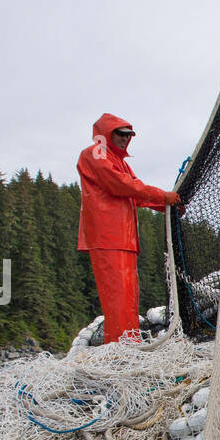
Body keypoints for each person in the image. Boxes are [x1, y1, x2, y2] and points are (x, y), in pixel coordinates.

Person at [77, 113, 180, 344]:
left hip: (125, 240)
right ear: (106, 134)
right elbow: (119, 184)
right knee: (117, 298)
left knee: (128, 298)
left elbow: (137, 195)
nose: (126, 139)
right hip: (106, 237)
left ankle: (129, 344)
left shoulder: (121, 162)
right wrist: (163, 195)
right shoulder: (96, 152)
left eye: (129, 135)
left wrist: (167, 206)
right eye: (121, 134)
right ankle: (120, 350)